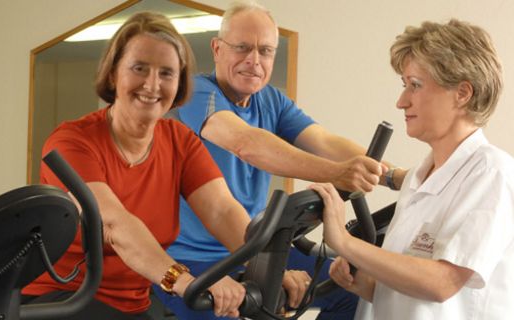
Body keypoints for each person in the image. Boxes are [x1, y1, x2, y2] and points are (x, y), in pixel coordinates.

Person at [154, 1, 406, 319]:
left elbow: (324, 141)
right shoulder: (195, 93)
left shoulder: (271, 100)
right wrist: (340, 173)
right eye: (242, 48)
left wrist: (397, 177)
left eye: (265, 51)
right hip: (192, 259)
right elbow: (245, 143)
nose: (253, 61)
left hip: (255, 249)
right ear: (217, 49)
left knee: (352, 291)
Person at [21, 12, 256, 319]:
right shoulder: (72, 142)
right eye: (139, 68)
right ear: (113, 74)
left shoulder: (179, 141)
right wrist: (182, 280)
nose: (152, 84)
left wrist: (266, 264)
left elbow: (222, 210)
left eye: (167, 73)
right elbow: (115, 225)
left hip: (132, 305)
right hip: (60, 300)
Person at [317, 19, 514, 320]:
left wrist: (346, 243)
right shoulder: (417, 179)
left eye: (415, 85)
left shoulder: (492, 173)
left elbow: (442, 283)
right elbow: (409, 295)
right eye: (404, 85)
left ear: (462, 93)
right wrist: (363, 282)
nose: (401, 101)